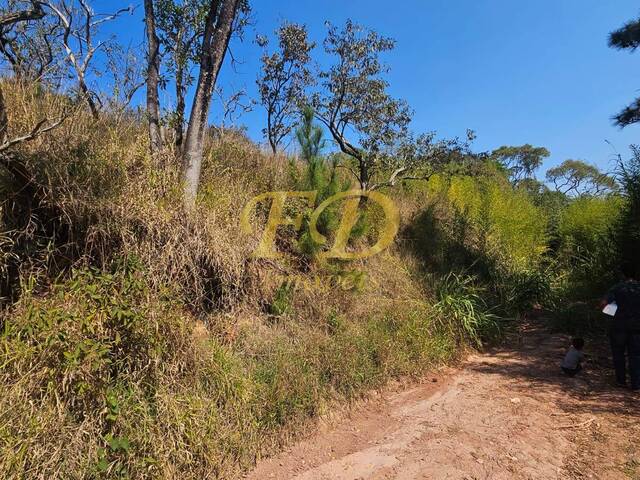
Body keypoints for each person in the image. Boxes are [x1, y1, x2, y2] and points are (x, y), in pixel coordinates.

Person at [603, 262, 640, 391]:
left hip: (618, 326)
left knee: (618, 354)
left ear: (622, 274)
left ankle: (621, 381)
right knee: (635, 355)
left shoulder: (617, 288)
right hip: (637, 327)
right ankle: (636, 384)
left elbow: (603, 304)